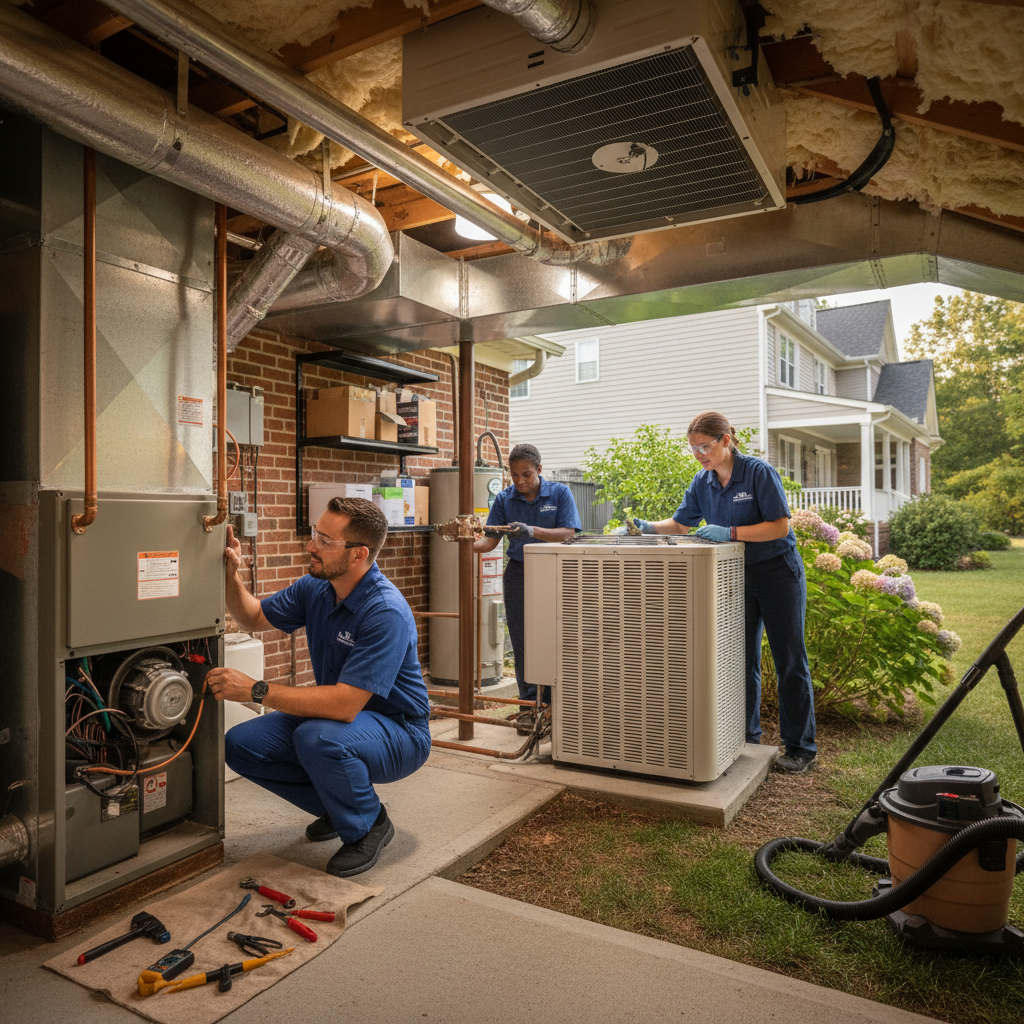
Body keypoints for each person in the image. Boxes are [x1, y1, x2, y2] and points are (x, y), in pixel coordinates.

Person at [205, 497, 431, 876]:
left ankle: (368, 826)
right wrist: (231, 574)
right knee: (241, 745)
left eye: (325, 540)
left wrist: (256, 690)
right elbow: (253, 615)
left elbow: (344, 705)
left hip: (399, 731)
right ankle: (340, 806)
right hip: (341, 721)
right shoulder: (317, 588)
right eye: (315, 534)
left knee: (318, 737)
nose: (311, 546)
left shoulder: (384, 612)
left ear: (358, 554)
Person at [622, 412, 817, 774]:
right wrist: (644, 527)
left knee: (789, 660)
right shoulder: (702, 481)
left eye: (705, 447)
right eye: (693, 449)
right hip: (736, 576)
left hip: (777, 573)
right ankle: (743, 737)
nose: (699, 455)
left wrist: (730, 532)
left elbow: (779, 526)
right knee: (738, 661)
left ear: (726, 440)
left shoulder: (757, 473)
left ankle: (800, 747)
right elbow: (682, 524)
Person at [473, 443, 581, 725]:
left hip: (556, 571)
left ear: (539, 470)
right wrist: (468, 542)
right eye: (514, 475)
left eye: (527, 474)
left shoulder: (559, 493)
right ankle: (529, 707)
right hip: (519, 572)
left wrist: (532, 531)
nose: (520, 481)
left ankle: (558, 706)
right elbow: (489, 541)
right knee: (522, 641)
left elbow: (569, 533)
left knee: (557, 637)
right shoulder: (504, 499)